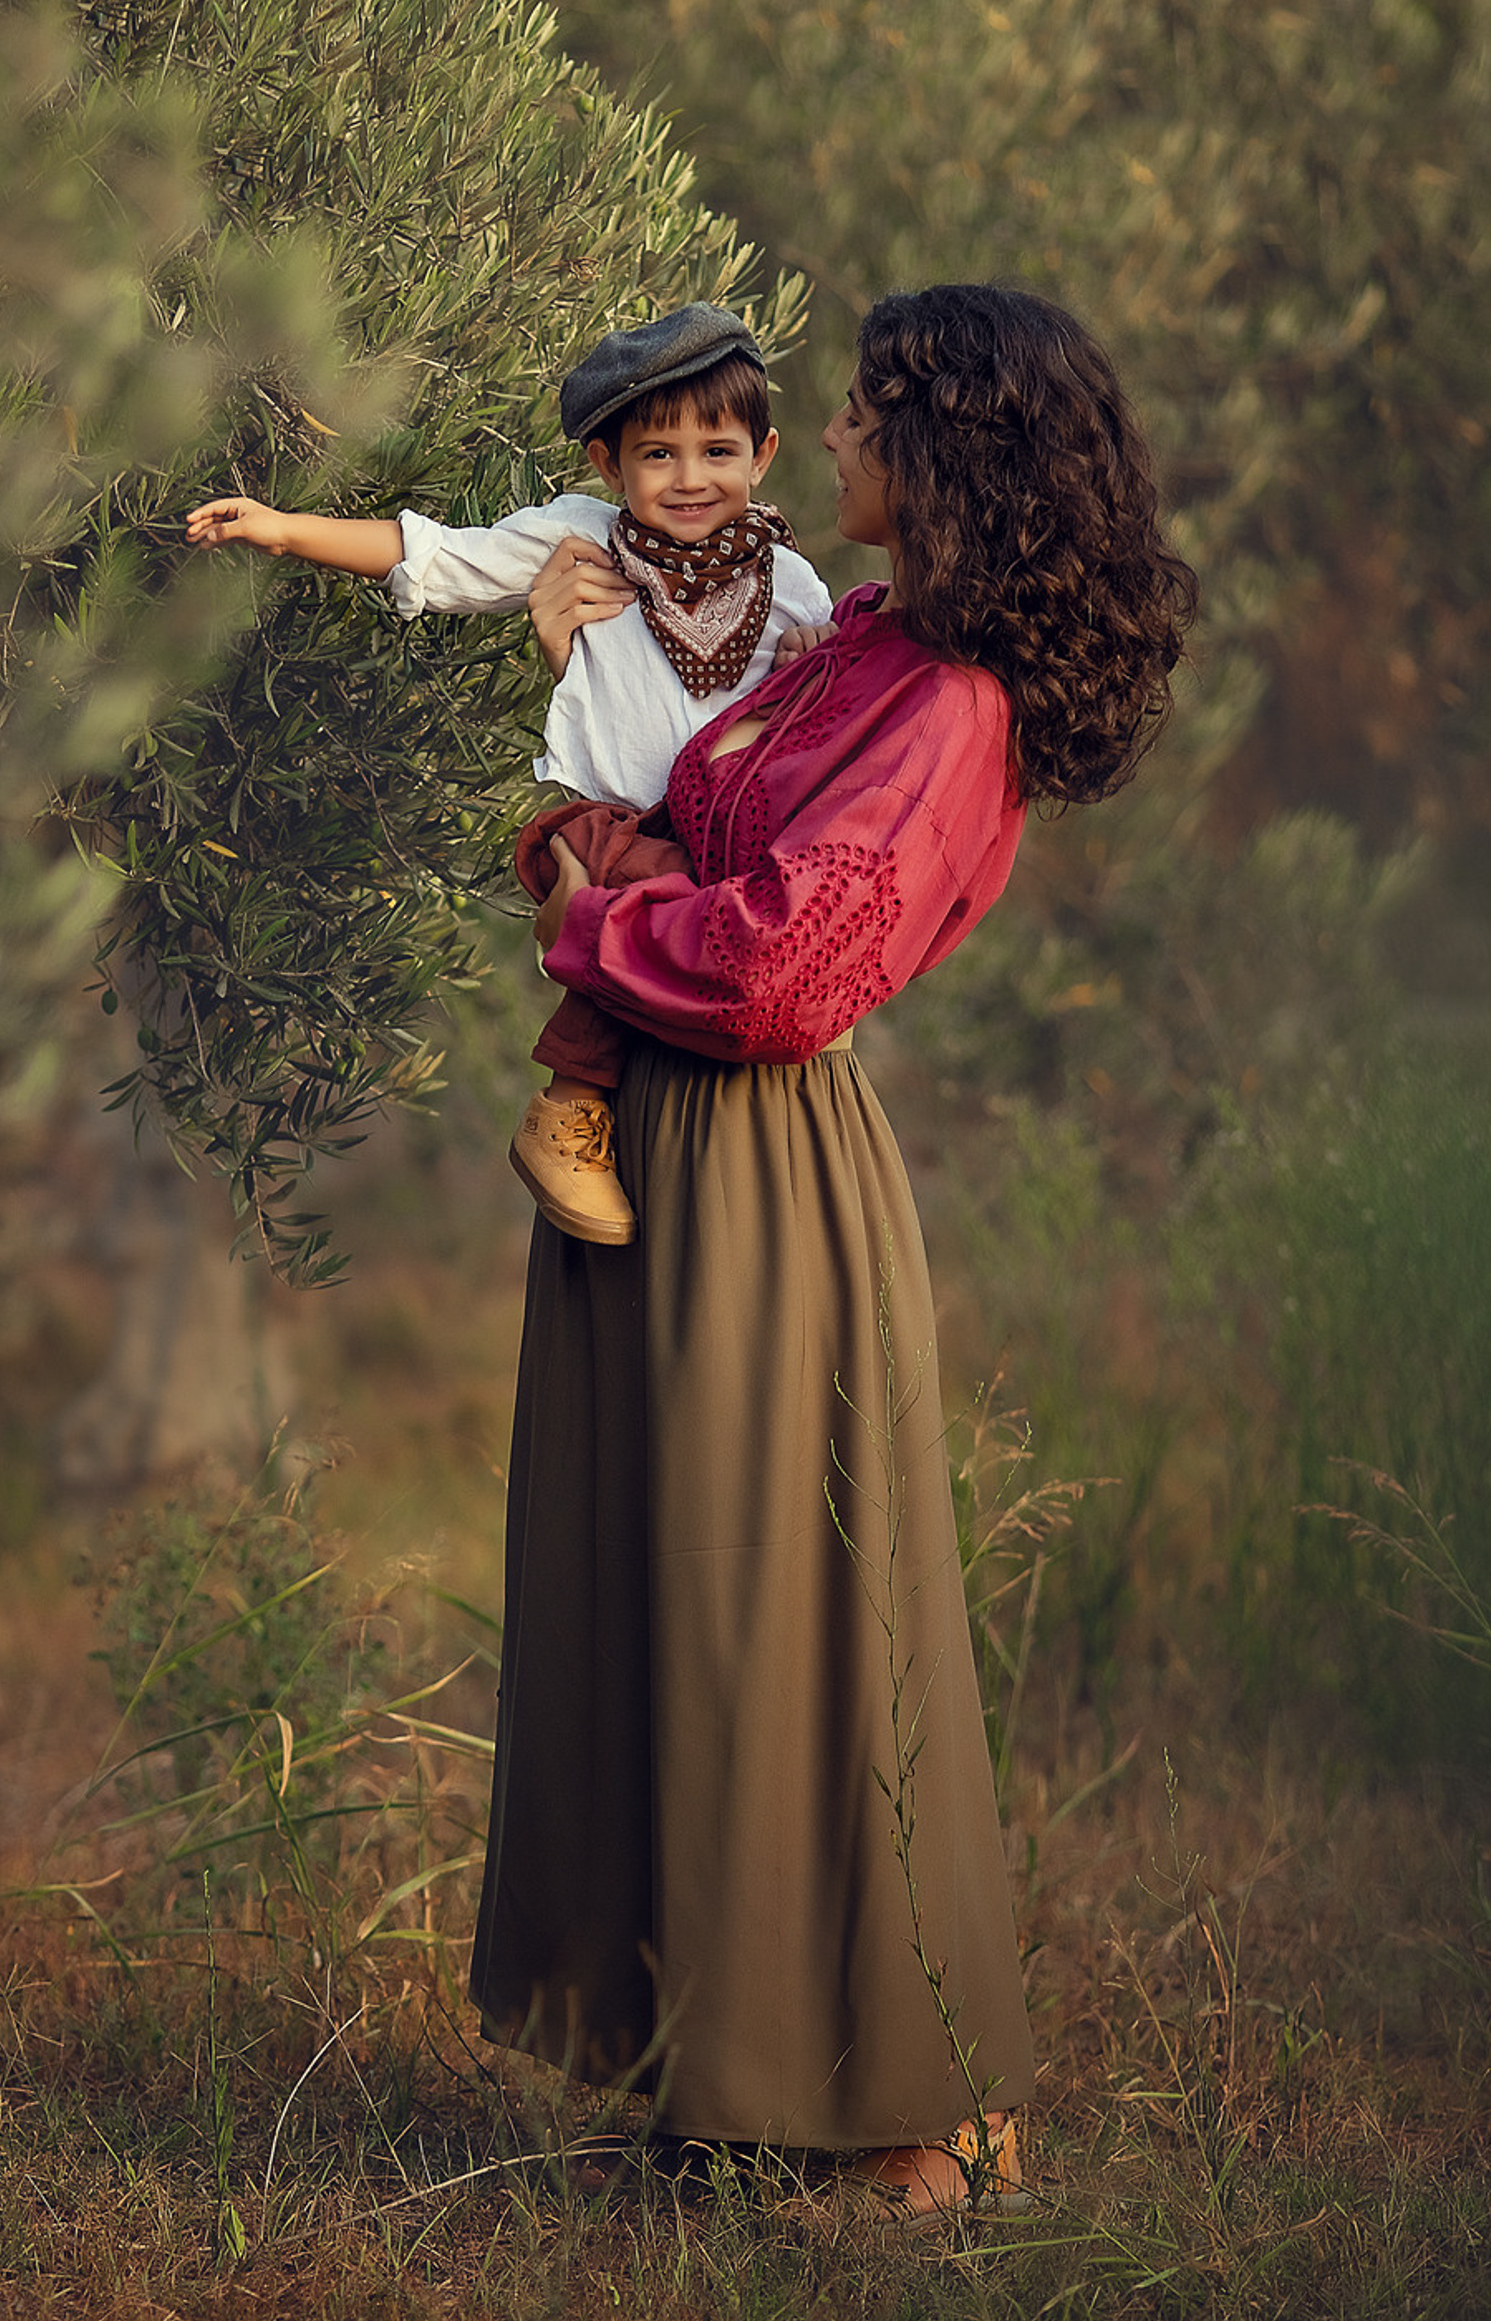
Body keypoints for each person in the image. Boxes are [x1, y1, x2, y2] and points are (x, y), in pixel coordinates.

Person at [477, 284, 1196, 2216]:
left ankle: (917, 2108)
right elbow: (679, 812)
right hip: (656, 1139)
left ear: (945, 451)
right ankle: (726, 2063)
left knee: (788, 1622)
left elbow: (787, 965)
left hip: (757, 1168)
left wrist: (582, 909)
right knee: (671, 1608)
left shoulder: (951, 706)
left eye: (871, 414)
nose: (843, 441)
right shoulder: (863, 639)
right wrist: (599, 830)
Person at [187, 304, 836, 1249]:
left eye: (718, 451)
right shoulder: (579, 541)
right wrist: (286, 531)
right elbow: (438, 556)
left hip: (730, 834)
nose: (691, 479)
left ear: (764, 454)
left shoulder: (789, 583)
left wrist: (811, 666)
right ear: (608, 466)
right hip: (619, 822)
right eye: (658, 455)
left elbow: (828, 706)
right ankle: (568, 1108)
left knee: (733, 928)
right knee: (653, 901)